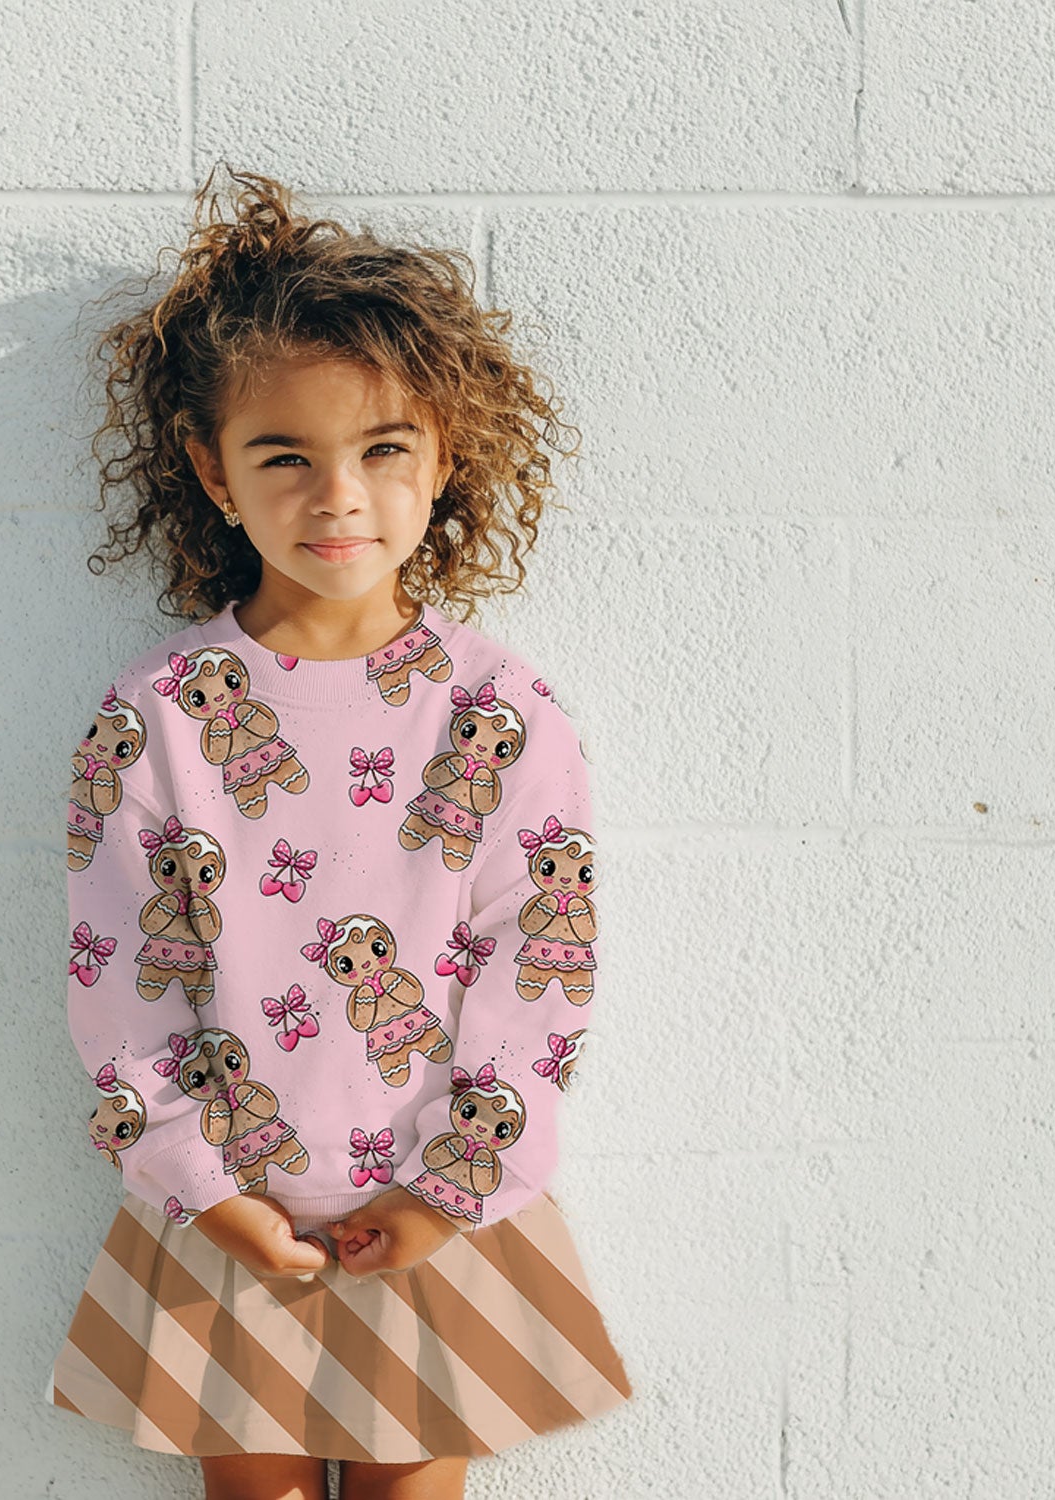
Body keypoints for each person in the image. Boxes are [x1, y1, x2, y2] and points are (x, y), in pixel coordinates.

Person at [46, 163, 634, 1500]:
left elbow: (540, 962)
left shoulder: (501, 710)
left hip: (441, 1216)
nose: (338, 495)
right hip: (226, 1218)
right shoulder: (159, 717)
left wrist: (449, 1191)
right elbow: (122, 977)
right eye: (285, 456)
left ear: (443, 458)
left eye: (380, 450)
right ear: (211, 469)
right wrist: (206, 1183)